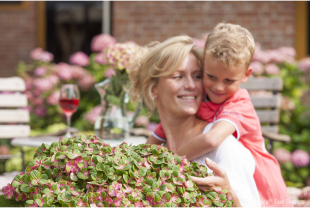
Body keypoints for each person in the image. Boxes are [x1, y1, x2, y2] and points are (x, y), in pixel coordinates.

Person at [151, 23, 290, 207]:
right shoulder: (203, 99)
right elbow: (157, 135)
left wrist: (169, 164)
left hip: (261, 184)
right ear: (204, 67)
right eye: (211, 76)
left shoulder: (240, 104)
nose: (218, 87)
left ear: (246, 75)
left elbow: (211, 140)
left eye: (229, 80)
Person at [128, 35, 260, 207]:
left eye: (197, 76)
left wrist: (229, 196)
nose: (191, 85)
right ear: (154, 89)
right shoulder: (155, 153)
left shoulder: (223, 147)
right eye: (178, 77)